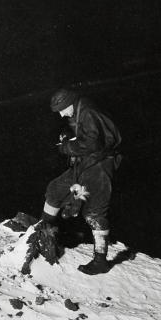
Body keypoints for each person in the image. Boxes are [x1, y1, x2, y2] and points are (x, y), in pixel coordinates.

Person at [39, 88, 122, 275]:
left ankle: (100, 261)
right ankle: (43, 233)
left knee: (94, 213)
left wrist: (66, 147)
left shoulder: (89, 112)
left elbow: (93, 143)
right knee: (55, 190)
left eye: (62, 109)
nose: (61, 114)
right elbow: (88, 137)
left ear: (69, 103)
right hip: (87, 162)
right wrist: (71, 139)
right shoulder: (80, 110)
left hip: (100, 166)